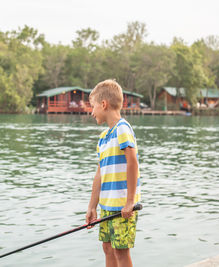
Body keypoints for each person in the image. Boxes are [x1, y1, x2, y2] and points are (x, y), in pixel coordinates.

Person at [86, 79, 141, 267]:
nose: (92, 112)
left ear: (104, 104)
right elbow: (99, 175)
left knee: (121, 251)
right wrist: (92, 206)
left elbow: (132, 163)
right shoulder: (103, 138)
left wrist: (130, 202)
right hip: (106, 205)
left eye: (93, 107)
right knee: (108, 248)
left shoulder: (122, 129)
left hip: (122, 206)